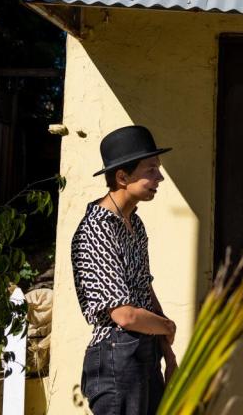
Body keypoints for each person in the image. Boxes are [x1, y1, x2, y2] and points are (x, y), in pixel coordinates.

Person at [71, 125, 179, 415]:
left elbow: (144, 286)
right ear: (122, 176)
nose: (160, 177)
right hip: (115, 357)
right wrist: (167, 327)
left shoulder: (135, 223)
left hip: (145, 352)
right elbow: (124, 314)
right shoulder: (95, 230)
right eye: (151, 170)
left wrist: (167, 353)